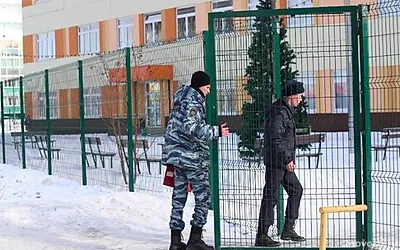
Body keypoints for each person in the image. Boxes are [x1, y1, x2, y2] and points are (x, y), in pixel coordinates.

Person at [162, 71, 229, 250]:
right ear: (200, 86)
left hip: (177, 156)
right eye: (207, 87)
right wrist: (216, 132)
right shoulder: (193, 101)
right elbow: (190, 127)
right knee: (203, 196)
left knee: (179, 197)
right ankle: (195, 238)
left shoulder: (180, 98)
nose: (208, 91)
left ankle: (175, 241)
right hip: (190, 156)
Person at [255, 79, 306, 247]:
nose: (300, 99)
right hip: (277, 162)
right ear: (291, 96)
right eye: (299, 95)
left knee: (296, 189)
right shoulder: (279, 113)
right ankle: (262, 235)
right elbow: (275, 139)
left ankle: (288, 229)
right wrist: (287, 159)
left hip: (282, 162)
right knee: (271, 196)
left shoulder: (285, 111)